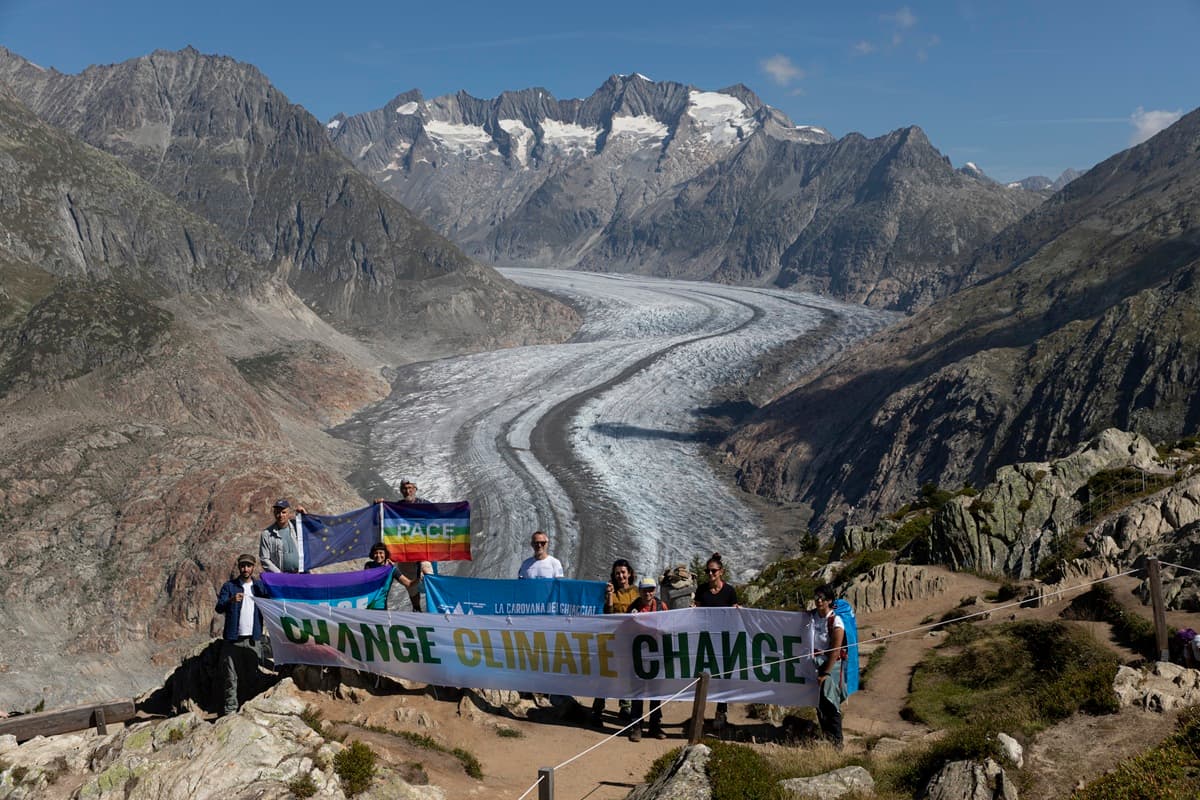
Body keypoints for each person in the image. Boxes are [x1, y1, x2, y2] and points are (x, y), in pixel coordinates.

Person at [215, 553, 268, 716]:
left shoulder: (258, 587)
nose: (246, 569)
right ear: (239, 567)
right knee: (231, 678)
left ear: (253, 567)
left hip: (253, 639)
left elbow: (273, 598)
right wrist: (230, 600)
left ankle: (250, 709)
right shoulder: (229, 587)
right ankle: (230, 711)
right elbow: (219, 608)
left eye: (249, 566)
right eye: (243, 566)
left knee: (252, 675)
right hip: (233, 639)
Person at [591, 559, 639, 728]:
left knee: (626, 674)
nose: (621, 576)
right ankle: (598, 708)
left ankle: (625, 707)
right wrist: (610, 596)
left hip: (630, 639)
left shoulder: (637, 592)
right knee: (607, 673)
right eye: (617, 573)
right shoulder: (610, 591)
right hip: (612, 638)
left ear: (630, 574)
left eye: (623, 572)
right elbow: (608, 614)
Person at [694, 552, 739, 730]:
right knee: (702, 676)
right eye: (708, 571)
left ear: (721, 571)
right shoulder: (701, 590)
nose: (710, 574)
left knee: (723, 676)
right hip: (705, 639)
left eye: (713, 571)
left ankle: (721, 712)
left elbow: (734, 615)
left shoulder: (729, 591)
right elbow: (696, 611)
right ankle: (699, 711)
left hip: (724, 640)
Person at [628, 576, 669, 741]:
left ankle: (654, 725)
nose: (648, 593)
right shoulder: (633, 608)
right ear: (640, 591)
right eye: (645, 589)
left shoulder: (661, 606)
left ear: (655, 590)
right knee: (638, 691)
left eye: (651, 589)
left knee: (655, 691)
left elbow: (669, 625)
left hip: (657, 655)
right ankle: (636, 726)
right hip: (639, 656)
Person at [812, 584, 847, 749]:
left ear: (829, 601)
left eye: (822, 598)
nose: (819, 600)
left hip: (829, 665)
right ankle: (827, 737)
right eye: (817, 597)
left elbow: (835, 650)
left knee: (830, 701)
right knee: (819, 702)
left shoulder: (836, 621)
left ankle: (837, 740)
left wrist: (825, 673)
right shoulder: (812, 616)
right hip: (814, 662)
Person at [394, 483, 435, 611]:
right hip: (405, 553)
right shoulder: (396, 507)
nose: (408, 491)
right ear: (401, 491)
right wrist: (378, 505)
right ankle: (417, 609)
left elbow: (439, 515)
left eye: (410, 488)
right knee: (411, 585)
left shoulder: (425, 504)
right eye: (405, 489)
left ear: (415, 489)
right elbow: (382, 517)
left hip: (422, 551)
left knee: (429, 577)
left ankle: (435, 608)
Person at [259, 498, 305, 573]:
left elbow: (314, 530)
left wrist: (305, 515)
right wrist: (280, 574)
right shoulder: (267, 534)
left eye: (284, 512)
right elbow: (264, 559)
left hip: (302, 573)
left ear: (289, 513)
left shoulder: (297, 527)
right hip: (282, 576)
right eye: (277, 512)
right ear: (274, 513)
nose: (280, 515)